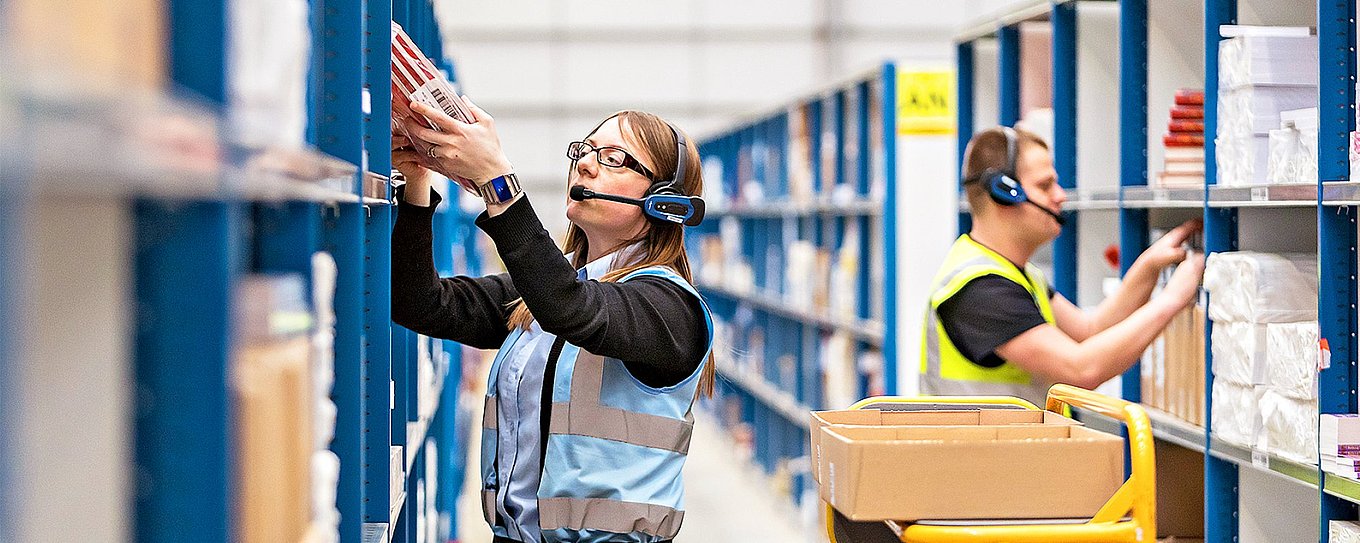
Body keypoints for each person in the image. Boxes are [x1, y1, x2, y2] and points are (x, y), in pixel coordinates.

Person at [389, 97, 714, 543]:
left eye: (614, 158)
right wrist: (416, 184)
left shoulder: (670, 308)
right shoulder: (543, 292)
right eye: (584, 150)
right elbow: (419, 302)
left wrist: (497, 183)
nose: (585, 165)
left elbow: (573, 310)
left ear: (663, 202)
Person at [921, 125, 1205, 406]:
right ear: (1004, 193)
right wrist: (1173, 298)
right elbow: (1080, 369)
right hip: (980, 452)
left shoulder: (1015, 274)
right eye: (1045, 186)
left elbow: (1092, 329)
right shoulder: (981, 288)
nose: (1060, 196)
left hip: (1009, 450)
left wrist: (1149, 267)